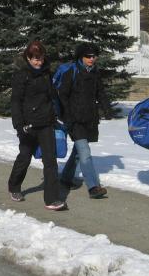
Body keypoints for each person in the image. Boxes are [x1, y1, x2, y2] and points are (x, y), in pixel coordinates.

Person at [9, 41, 66, 211]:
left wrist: (60, 115)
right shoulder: (22, 75)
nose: (38, 62)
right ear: (28, 58)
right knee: (25, 157)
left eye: (40, 58)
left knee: (50, 161)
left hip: (46, 123)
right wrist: (19, 125)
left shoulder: (47, 74)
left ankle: (52, 199)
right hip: (28, 125)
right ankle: (14, 186)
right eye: (35, 58)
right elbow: (15, 101)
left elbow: (53, 97)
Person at [57, 42, 111, 199]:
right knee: (85, 152)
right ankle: (93, 187)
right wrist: (67, 115)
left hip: (89, 118)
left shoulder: (94, 72)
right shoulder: (72, 72)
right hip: (74, 120)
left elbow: (100, 92)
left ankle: (66, 178)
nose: (92, 59)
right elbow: (62, 95)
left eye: (94, 56)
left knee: (78, 151)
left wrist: (107, 108)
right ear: (81, 57)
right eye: (88, 56)